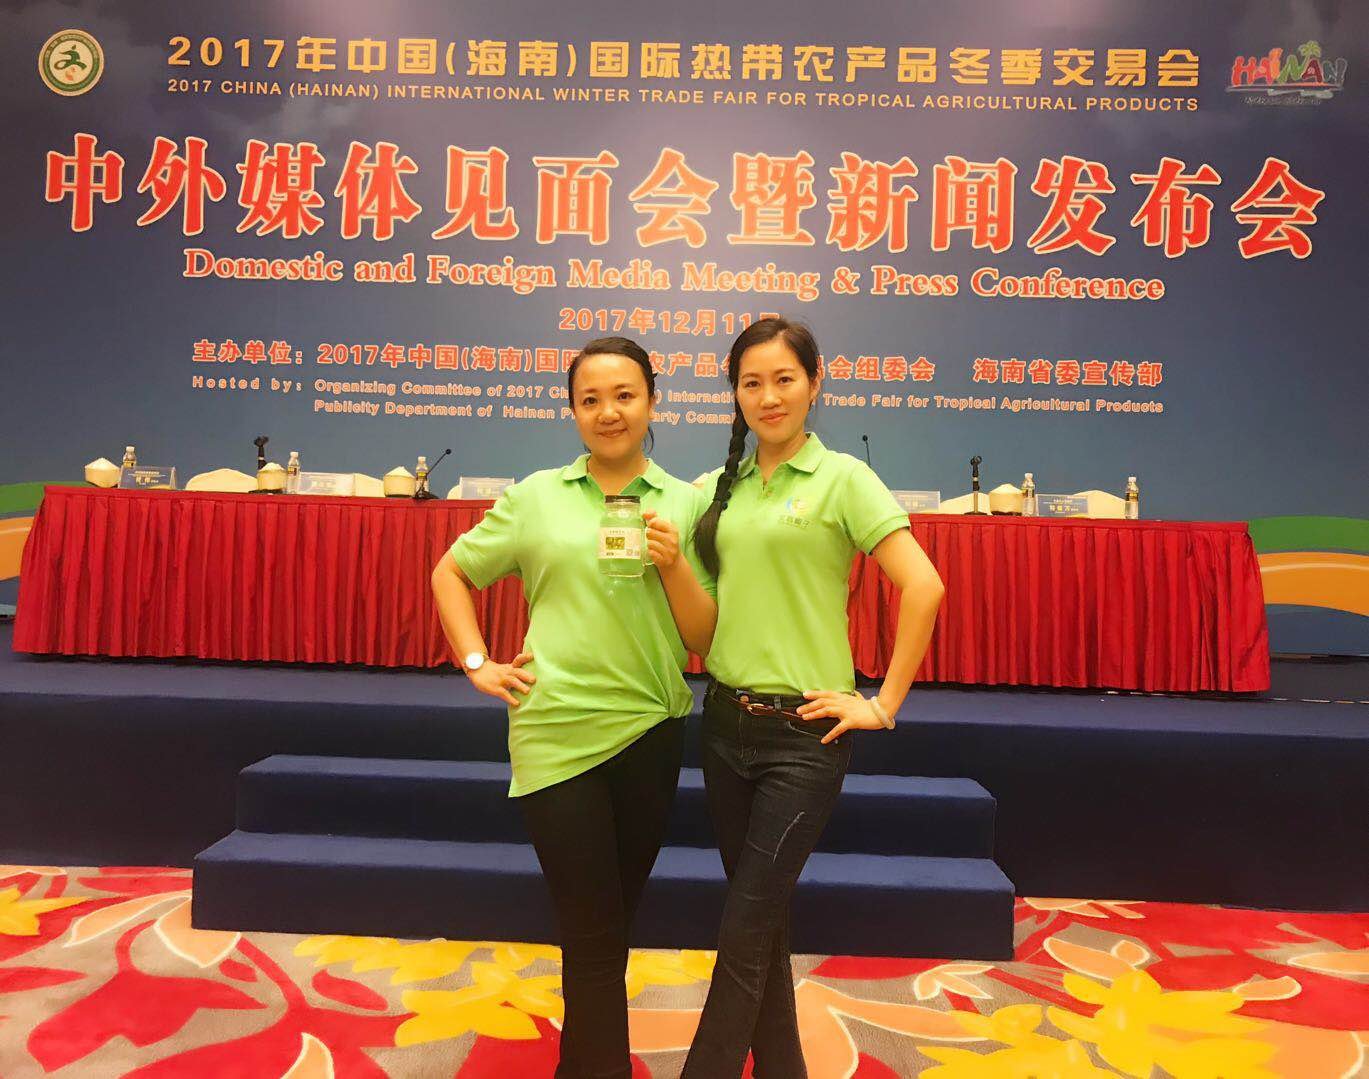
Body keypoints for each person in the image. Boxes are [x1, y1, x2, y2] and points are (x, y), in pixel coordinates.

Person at [429, 336, 714, 1079]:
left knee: (610, 928)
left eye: (624, 395)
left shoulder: (687, 504)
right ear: (573, 410)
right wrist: (477, 663)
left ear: (653, 401)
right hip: (555, 729)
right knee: (591, 933)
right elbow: (451, 573)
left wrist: (673, 564)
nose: (608, 412)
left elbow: (702, 638)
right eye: (590, 399)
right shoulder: (536, 497)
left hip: (650, 729)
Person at [681, 317, 946, 1078]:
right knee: (762, 924)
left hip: (804, 737)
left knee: (743, 929)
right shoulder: (718, 488)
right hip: (724, 725)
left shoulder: (842, 478)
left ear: (814, 381)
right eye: (751, 383)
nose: (768, 397)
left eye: (783, 379)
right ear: (735, 392)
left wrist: (881, 703)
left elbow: (924, 585)